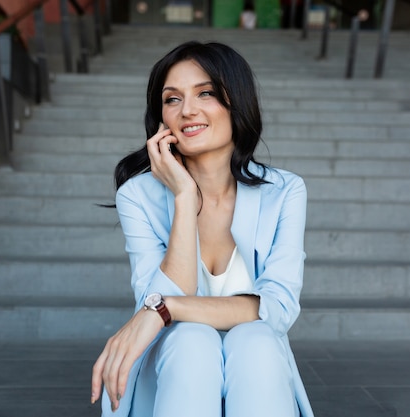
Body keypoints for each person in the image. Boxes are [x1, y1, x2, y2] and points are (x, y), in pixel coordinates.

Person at [91, 41, 313, 417]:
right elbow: (162, 294)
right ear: (160, 118)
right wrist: (183, 199)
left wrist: (166, 309)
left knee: (256, 338)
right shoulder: (138, 196)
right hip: (176, 369)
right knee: (191, 338)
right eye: (172, 99)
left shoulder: (284, 191)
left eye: (205, 93)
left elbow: (277, 308)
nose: (187, 110)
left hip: (259, 371)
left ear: (236, 102)